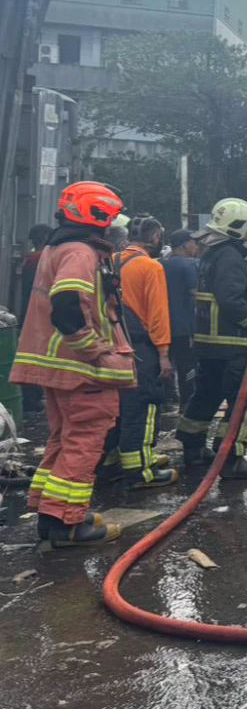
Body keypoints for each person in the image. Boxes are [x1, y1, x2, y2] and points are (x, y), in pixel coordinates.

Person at [7, 182, 133, 546]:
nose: (113, 227)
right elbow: (67, 305)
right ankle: (68, 524)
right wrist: (94, 350)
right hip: (81, 370)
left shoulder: (58, 247)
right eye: (111, 218)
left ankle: (51, 516)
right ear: (98, 215)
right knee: (84, 441)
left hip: (61, 367)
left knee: (64, 440)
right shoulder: (80, 252)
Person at [175, 198, 247, 479]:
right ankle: (231, 459)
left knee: (207, 395)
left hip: (209, 344)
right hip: (232, 344)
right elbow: (231, 300)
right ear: (237, 227)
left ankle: (194, 449)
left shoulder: (210, 253)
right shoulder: (230, 255)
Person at [103, 215, 177, 489]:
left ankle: (110, 465)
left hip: (112, 344)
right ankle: (141, 471)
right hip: (142, 348)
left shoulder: (110, 261)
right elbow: (158, 315)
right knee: (143, 406)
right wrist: (164, 354)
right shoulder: (150, 267)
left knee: (116, 408)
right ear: (155, 237)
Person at [162, 229, 200, 408]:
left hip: (163, 326)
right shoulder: (189, 265)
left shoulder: (161, 264)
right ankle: (187, 404)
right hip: (185, 327)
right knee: (187, 366)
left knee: (166, 365)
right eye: (194, 243)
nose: (196, 246)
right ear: (185, 244)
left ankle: (167, 400)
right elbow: (196, 296)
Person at [18, 223, 52, 416]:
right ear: (46, 238)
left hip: (28, 312)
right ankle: (32, 399)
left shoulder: (30, 259)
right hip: (39, 314)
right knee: (36, 357)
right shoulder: (40, 260)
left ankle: (33, 397)